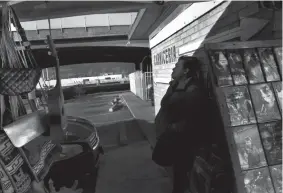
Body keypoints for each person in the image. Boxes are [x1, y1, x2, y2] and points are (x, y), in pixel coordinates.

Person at [154, 56, 209, 193]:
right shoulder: (175, 85)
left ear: (186, 71)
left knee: (181, 175)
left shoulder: (193, 89)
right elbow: (165, 104)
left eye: (177, 66)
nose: (173, 68)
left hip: (183, 141)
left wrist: (175, 127)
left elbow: (188, 113)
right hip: (172, 137)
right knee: (174, 170)